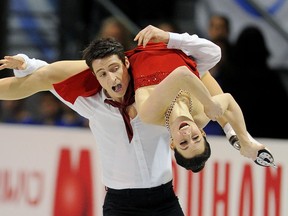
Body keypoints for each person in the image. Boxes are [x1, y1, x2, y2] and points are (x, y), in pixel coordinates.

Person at [0, 25, 224, 216]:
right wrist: (28, 65)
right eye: (103, 75)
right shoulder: (90, 103)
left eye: (115, 69)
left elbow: (205, 62)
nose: (112, 78)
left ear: (127, 64)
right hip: (120, 205)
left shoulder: (155, 95)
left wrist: (169, 37)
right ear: (95, 77)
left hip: (163, 200)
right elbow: (47, 77)